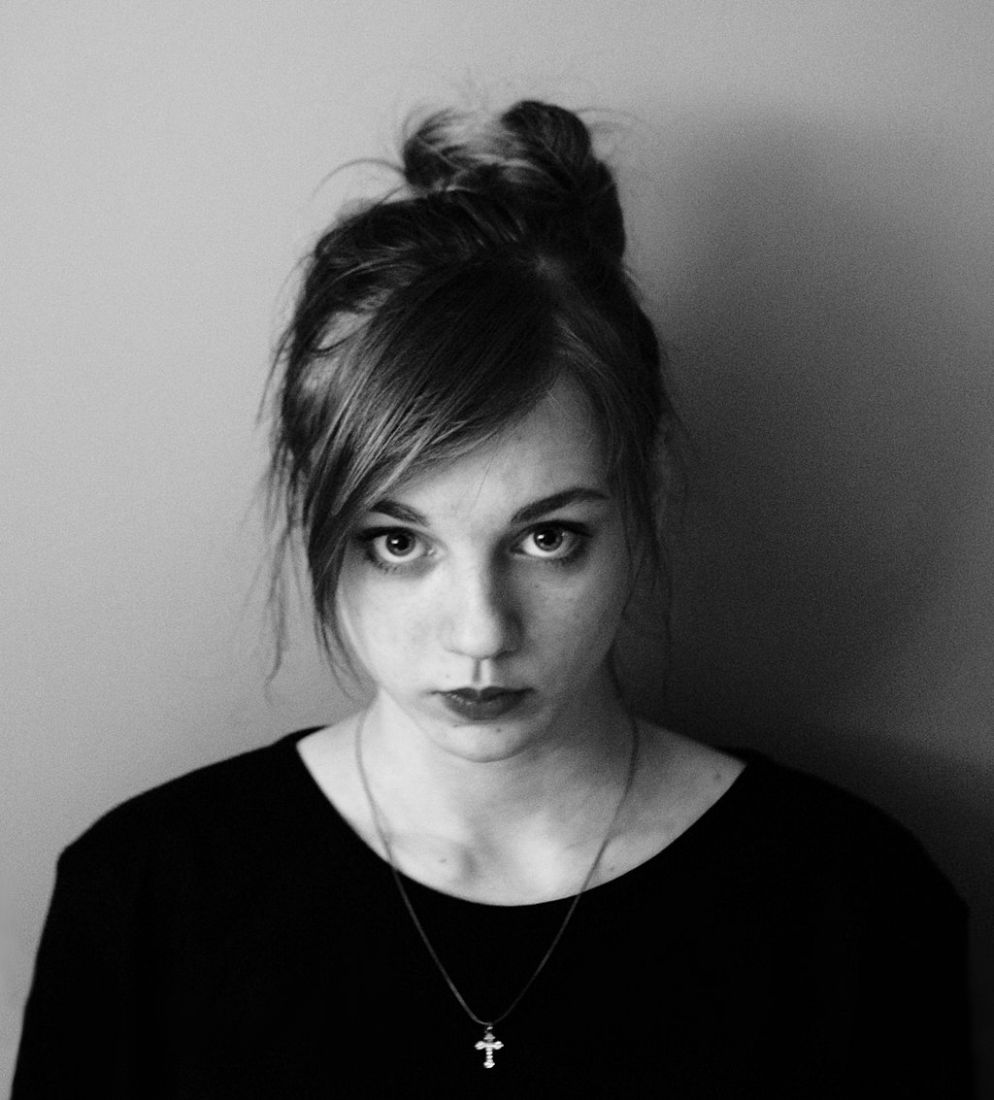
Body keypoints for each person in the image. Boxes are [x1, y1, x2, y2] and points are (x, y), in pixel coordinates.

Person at [13, 100, 970, 1098]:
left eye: (547, 538)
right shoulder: (143, 897)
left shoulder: (854, 907)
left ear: (644, 498)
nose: (480, 631)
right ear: (315, 514)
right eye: (397, 542)